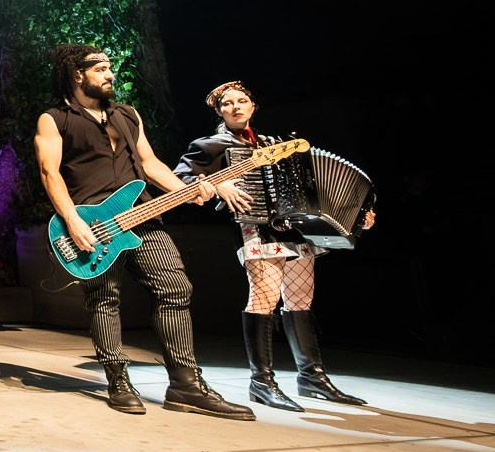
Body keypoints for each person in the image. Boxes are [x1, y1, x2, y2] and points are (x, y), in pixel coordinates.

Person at [33, 45, 254, 420]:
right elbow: (49, 172)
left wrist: (187, 191)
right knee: (105, 299)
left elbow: (150, 164)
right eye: (100, 68)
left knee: (176, 288)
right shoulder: (54, 119)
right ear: (77, 74)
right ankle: (117, 380)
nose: (109, 74)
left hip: (143, 215)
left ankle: (185, 384)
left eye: (109, 67)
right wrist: (72, 220)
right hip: (92, 223)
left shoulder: (127, 115)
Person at [175, 81, 370, 410]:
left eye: (242, 101)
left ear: (253, 106)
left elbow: (311, 183)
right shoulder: (210, 144)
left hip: (293, 232)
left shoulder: (274, 144)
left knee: (300, 301)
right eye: (228, 103)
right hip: (256, 229)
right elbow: (180, 177)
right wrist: (218, 185)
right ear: (218, 110)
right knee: (264, 298)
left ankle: (312, 377)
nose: (236, 106)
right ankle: (261, 382)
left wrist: (356, 212)